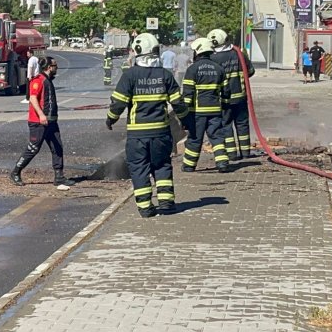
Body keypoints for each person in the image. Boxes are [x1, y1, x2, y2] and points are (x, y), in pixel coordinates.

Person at [105, 33, 189, 218]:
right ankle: (166, 203)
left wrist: (110, 119)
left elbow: (118, 104)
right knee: (162, 165)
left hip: (137, 135)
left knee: (139, 167)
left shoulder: (130, 76)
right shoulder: (165, 75)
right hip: (161, 132)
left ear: (138, 52)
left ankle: (145, 207)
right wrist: (187, 121)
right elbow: (179, 104)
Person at [10, 56, 75, 189]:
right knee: (33, 148)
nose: (57, 69)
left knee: (57, 147)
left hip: (51, 123)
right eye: (55, 66)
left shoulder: (48, 80)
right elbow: (33, 98)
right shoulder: (38, 80)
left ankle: (59, 177)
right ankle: (15, 172)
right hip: (38, 122)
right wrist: (41, 115)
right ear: (49, 67)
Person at [181, 37, 232, 173]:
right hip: (215, 111)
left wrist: (185, 115)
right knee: (217, 137)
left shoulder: (192, 69)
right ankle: (222, 164)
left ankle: (188, 166)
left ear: (198, 52)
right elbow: (226, 92)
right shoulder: (219, 69)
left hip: (197, 112)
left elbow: (188, 95)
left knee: (195, 139)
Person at [208, 29, 256, 160]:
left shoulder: (211, 58)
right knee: (242, 124)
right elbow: (250, 71)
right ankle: (246, 153)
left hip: (224, 99)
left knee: (226, 125)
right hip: (240, 96)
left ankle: (232, 154)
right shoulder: (238, 54)